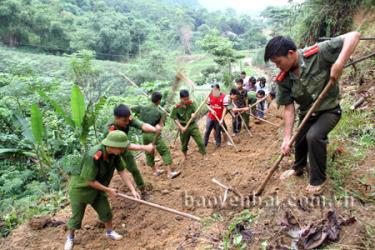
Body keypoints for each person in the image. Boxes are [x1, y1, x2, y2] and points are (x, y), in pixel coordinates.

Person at [264, 31, 360, 194]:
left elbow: (354, 36)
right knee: (299, 138)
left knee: (313, 136)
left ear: (291, 53)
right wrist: (286, 138)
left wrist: (339, 63)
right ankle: (298, 167)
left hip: (330, 110)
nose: (277, 66)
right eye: (274, 63)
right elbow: (289, 108)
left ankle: (318, 179)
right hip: (308, 113)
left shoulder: (317, 53)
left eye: (278, 62)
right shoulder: (283, 79)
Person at [64, 130, 154, 250]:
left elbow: (121, 171)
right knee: (76, 218)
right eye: (121, 148)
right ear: (112, 146)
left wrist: (132, 189)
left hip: (99, 188)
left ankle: (109, 232)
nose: (123, 150)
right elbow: (89, 181)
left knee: (106, 212)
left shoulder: (115, 154)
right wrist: (108, 190)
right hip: (81, 190)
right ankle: (70, 238)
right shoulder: (94, 155)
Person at [106, 104, 161, 195]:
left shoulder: (127, 118)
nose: (127, 122)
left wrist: (155, 129)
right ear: (116, 118)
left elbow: (142, 125)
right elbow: (126, 145)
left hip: (123, 147)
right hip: (111, 150)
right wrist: (145, 148)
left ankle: (142, 190)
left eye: (128, 120)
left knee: (134, 169)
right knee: (108, 172)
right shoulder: (110, 128)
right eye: (124, 121)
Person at [132, 92, 181, 179]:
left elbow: (131, 108)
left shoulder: (142, 107)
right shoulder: (159, 112)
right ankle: (169, 173)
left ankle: (155, 171)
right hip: (153, 135)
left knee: (149, 152)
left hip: (144, 135)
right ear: (159, 101)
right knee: (164, 151)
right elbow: (160, 126)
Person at [171, 89, 207, 160]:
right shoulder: (176, 107)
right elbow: (175, 118)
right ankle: (185, 156)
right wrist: (181, 127)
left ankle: (204, 154)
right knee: (184, 144)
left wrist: (194, 115)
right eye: (184, 99)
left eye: (187, 99)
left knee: (200, 141)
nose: (186, 101)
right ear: (180, 98)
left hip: (192, 125)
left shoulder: (191, 103)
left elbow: (196, 114)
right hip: (183, 127)